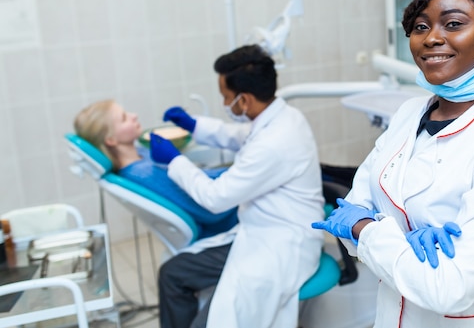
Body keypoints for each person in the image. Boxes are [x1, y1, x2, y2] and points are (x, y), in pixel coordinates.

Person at [312, 0, 474, 327]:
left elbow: (449, 291)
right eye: (421, 26)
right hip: (392, 314)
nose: (431, 37)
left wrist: (369, 228)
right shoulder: (408, 114)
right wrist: (398, 240)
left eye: (454, 23)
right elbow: (353, 206)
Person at [150, 44, 325, 328]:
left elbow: (216, 197)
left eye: (226, 98)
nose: (223, 104)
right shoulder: (281, 117)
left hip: (281, 245)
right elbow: (239, 135)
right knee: (173, 273)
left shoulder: (276, 141)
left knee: (217, 321)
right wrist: (194, 125)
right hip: (257, 232)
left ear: (244, 100)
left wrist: (175, 162)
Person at [73, 100, 239, 328]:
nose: (133, 115)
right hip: (228, 222)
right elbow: (211, 211)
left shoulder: (140, 157)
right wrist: (241, 175)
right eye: (123, 118)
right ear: (110, 140)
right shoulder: (143, 173)